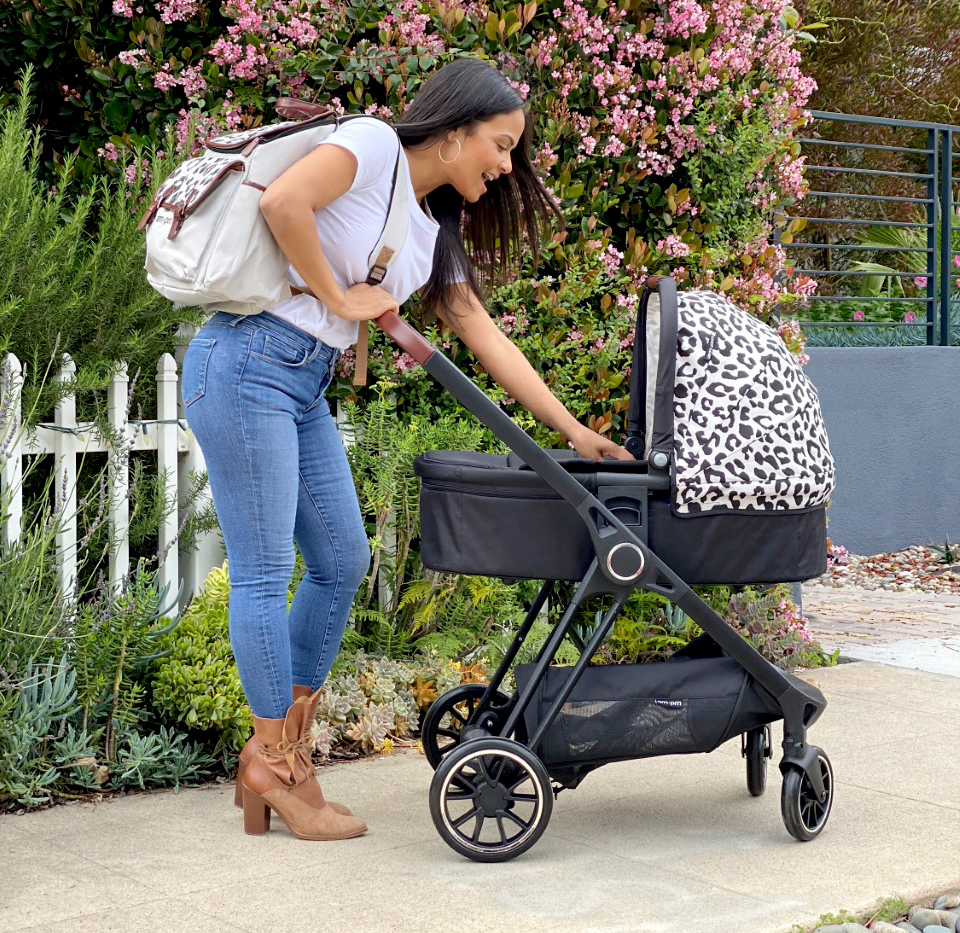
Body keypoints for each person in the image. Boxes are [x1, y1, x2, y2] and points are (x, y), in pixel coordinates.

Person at [181, 56, 635, 844]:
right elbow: (285, 202)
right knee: (263, 569)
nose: (505, 166)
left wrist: (573, 430)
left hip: (301, 380)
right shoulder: (372, 145)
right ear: (454, 131)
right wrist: (337, 295)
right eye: (500, 145)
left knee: (342, 561)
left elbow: (479, 328)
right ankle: (279, 768)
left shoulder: (431, 226)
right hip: (247, 361)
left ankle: (273, 759)